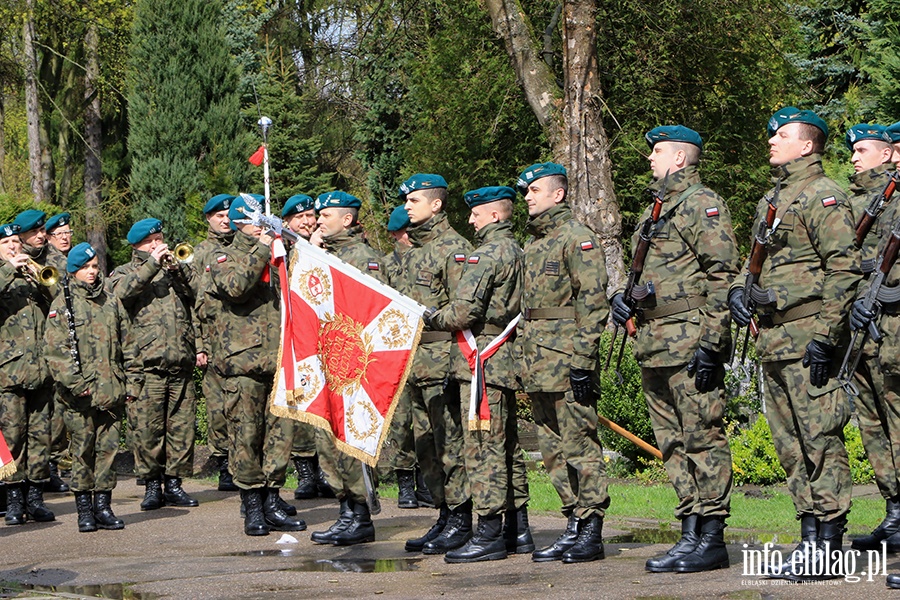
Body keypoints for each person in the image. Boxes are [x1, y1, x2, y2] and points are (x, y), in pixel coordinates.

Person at [729, 107, 859, 581]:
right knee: (789, 443)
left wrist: (827, 336)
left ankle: (830, 542)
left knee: (820, 438)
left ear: (806, 145)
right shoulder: (773, 198)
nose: (771, 140)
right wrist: (741, 292)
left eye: (780, 135)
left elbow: (844, 269)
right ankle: (809, 536)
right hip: (775, 339)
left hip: (808, 335)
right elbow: (755, 263)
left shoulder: (823, 196)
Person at [610, 126, 739, 572]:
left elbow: (722, 275)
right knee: (672, 442)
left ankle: (712, 535)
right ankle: (689, 528)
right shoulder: (656, 211)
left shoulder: (702, 205)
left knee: (702, 435)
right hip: (654, 341)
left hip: (689, 339)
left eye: (658, 151)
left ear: (680, 159)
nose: (650, 158)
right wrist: (623, 298)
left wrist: (713, 343)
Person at [426, 185, 532, 563]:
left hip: (480, 363)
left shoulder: (486, 255)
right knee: (508, 448)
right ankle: (518, 530)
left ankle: (488, 531)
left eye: (476, 213)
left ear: (495, 215)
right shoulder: (520, 250)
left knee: (482, 448)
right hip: (503, 359)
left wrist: (428, 316)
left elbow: (463, 312)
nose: (470, 219)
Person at [517, 162, 610, 564]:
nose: (526, 197)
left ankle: (591, 528)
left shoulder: (577, 239)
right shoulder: (534, 244)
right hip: (538, 362)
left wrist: (584, 360)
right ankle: (572, 520)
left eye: (534, 190)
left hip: (568, 359)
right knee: (553, 449)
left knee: (580, 446)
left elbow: (592, 302)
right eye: (525, 192)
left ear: (558, 194)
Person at [205, 196, 304, 536]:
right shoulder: (222, 255)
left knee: (280, 436)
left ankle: (273, 499)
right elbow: (235, 288)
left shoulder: (280, 252)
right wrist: (261, 249)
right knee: (245, 436)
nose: (264, 224)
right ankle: (251, 504)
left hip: (279, 357)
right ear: (240, 222)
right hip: (243, 361)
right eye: (257, 219)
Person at [392, 174, 474, 555]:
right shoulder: (413, 253)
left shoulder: (454, 248)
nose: (407, 206)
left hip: (443, 361)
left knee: (450, 445)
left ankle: (461, 516)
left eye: (413, 200)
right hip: (415, 363)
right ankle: (443, 512)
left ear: (436, 204)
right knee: (426, 447)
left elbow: (464, 310)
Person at [304, 190, 387, 546]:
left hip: (354, 368)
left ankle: (360, 514)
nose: (318, 221)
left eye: (326, 216)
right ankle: (345, 510)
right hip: (329, 364)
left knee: (351, 443)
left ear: (347, 220)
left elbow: (370, 311)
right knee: (329, 443)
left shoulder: (362, 258)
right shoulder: (326, 254)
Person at [107, 218, 200, 511]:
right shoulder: (124, 272)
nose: (159, 244)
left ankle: (174, 484)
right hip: (146, 365)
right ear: (139, 246)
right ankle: (151, 486)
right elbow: (120, 295)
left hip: (180, 362)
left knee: (182, 429)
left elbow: (200, 295)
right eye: (152, 241)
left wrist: (178, 270)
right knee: (146, 431)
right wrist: (152, 265)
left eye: (160, 238)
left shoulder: (174, 270)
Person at [43, 243, 134, 532]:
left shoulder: (111, 301)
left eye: (95, 266)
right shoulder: (63, 304)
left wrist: (131, 382)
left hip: (111, 392)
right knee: (82, 452)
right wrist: (77, 384)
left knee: (107, 453)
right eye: (86, 268)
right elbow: (56, 351)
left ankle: (103, 507)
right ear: (73, 270)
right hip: (79, 397)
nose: (92, 272)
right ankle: (84, 508)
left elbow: (128, 344)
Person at [840, 124, 900, 555]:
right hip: (858, 328)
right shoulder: (854, 202)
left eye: (864, 150)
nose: (854, 157)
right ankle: (894, 509)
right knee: (873, 423)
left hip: (891, 326)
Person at [0, 222, 55, 526]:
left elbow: (61, 302)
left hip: (40, 371)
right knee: (11, 439)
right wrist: (9, 269)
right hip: (8, 374)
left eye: (16, 242)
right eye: (6, 242)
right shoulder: (4, 273)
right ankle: (12, 497)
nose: (13, 246)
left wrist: (42, 281)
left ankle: (35, 497)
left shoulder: (32, 273)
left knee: (40, 437)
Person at [281, 193, 330, 501]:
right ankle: (305, 472)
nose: (308, 222)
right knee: (298, 406)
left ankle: (327, 470)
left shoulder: (327, 245)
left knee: (323, 403)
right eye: (300, 218)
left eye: (311, 216)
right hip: (293, 337)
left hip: (323, 335)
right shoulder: (280, 249)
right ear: (287, 222)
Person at [383, 205, 432, 510]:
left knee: (425, 420)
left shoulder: (426, 259)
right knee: (401, 421)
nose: (409, 239)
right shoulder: (386, 265)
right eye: (404, 234)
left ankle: (426, 481)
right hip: (396, 349)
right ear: (394, 235)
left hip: (426, 349)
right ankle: (404, 482)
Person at [192, 194, 239, 492]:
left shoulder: (242, 248)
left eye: (229, 216)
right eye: (219, 216)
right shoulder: (199, 253)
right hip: (212, 339)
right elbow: (195, 303)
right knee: (218, 407)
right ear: (208, 218)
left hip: (241, 338)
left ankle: (242, 462)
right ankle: (223, 463)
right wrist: (199, 344)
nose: (225, 221)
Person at [41, 211, 73, 493]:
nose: (65, 238)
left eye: (68, 233)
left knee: (60, 409)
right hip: (45, 339)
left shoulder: (71, 260)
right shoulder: (45, 261)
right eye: (59, 235)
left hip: (65, 337)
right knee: (49, 409)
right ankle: (47, 467)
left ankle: (54, 462)